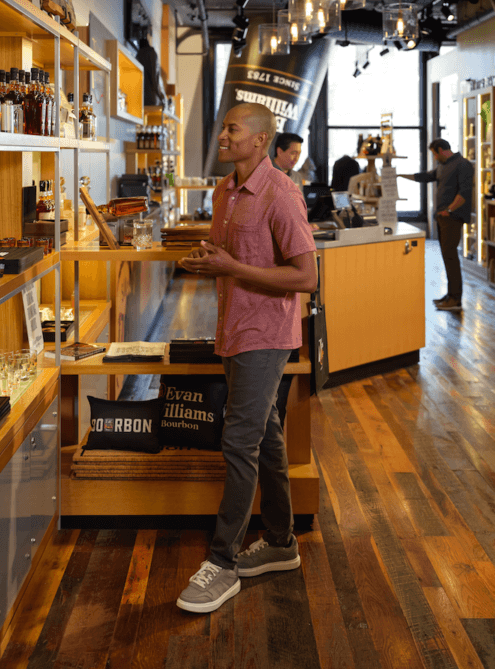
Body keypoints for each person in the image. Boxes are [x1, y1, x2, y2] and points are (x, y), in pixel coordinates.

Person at [175, 103, 318, 614]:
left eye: (232, 128)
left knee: (239, 440)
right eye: (224, 127)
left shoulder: (282, 193)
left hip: (267, 332)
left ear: (260, 140)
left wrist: (231, 265)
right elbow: (226, 254)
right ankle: (280, 543)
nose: (222, 135)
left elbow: (306, 277)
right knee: (266, 433)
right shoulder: (224, 191)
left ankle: (224, 561)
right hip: (232, 326)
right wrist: (205, 260)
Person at [398, 138, 474, 311]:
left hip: (452, 218)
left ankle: (455, 299)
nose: (434, 158)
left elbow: (464, 192)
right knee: (447, 258)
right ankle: (450, 295)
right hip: (443, 217)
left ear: (440, 150)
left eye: (434, 154)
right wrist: (399, 175)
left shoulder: (463, 165)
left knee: (451, 257)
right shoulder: (443, 166)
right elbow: (426, 177)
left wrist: (449, 210)